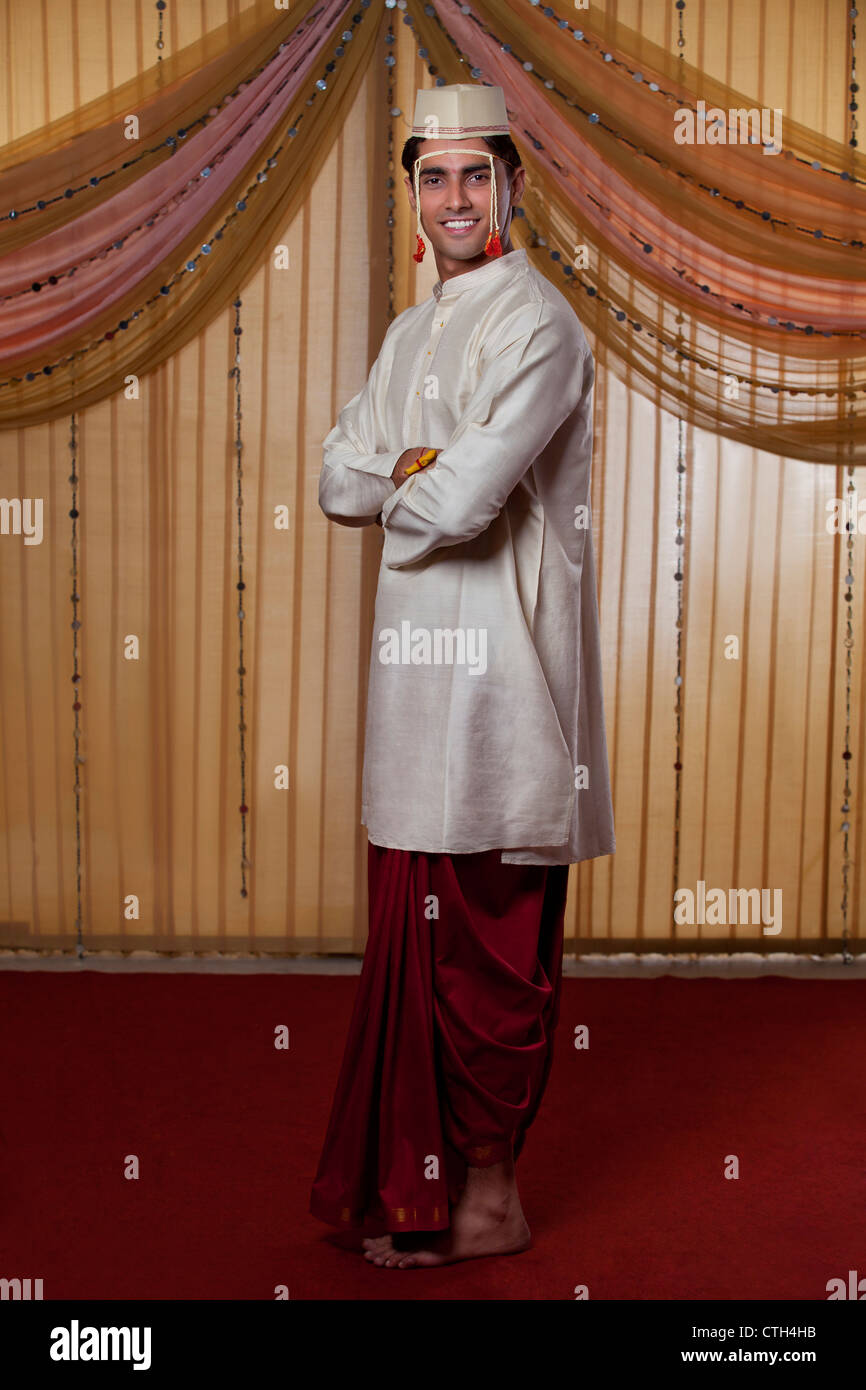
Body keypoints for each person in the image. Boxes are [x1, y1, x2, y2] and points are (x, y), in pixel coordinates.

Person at [310, 83, 615, 1269]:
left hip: (503, 694)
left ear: (510, 188)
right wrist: (407, 471)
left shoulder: (536, 323)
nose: (452, 199)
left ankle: (489, 1201)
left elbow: (459, 497)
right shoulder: (406, 332)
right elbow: (337, 481)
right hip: (409, 689)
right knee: (415, 949)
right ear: (412, 193)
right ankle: (428, 1193)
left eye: (473, 176)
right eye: (431, 178)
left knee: (485, 951)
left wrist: (402, 472)